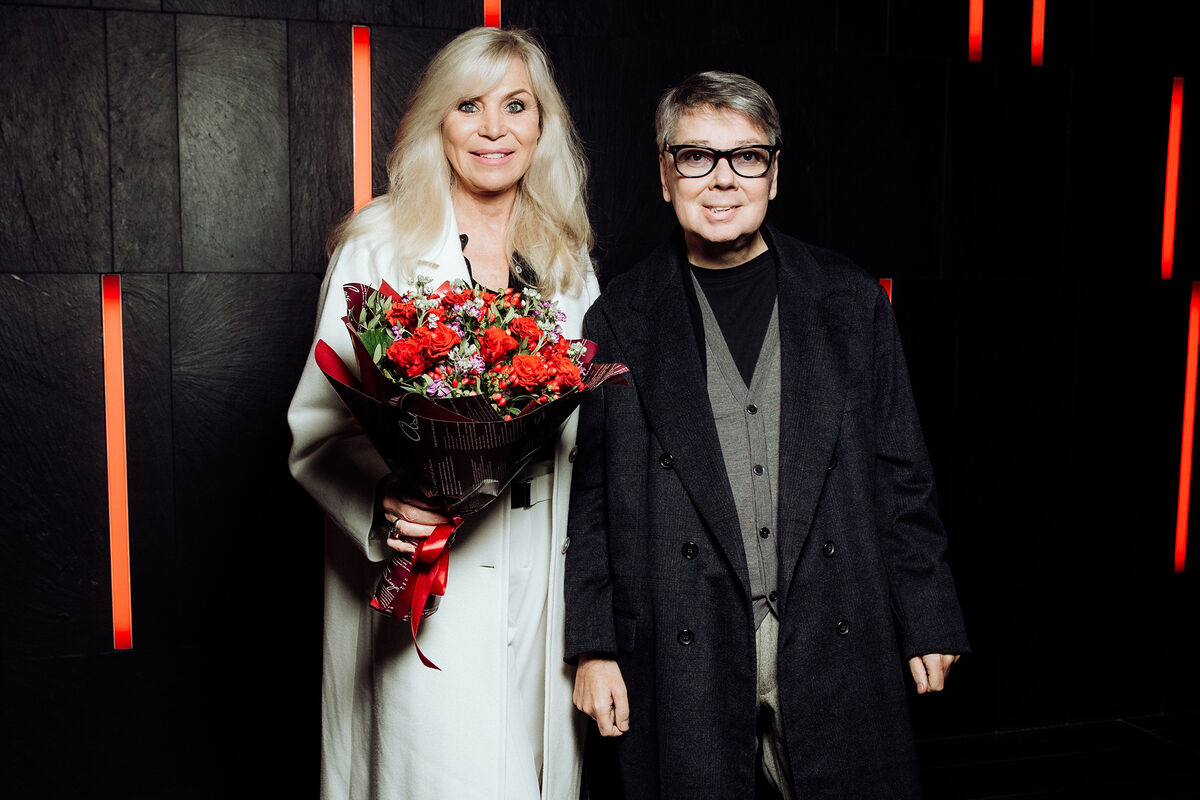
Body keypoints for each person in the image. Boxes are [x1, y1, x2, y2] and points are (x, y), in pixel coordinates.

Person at [564, 70, 969, 799]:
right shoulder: (618, 317)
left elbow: (901, 470)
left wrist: (929, 613)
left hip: (834, 619)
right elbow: (590, 500)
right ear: (665, 174)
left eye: (747, 157)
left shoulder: (850, 300)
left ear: (773, 175)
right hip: (683, 637)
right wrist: (593, 648)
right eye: (697, 156)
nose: (723, 180)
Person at [287, 27, 598, 800]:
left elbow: (591, 436)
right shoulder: (380, 246)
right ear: (439, 120)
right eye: (469, 105)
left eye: (516, 106)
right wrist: (386, 496)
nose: (494, 128)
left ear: (541, 125)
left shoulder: (567, 259)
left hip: (544, 577)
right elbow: (318, 430)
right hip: (430, 572)